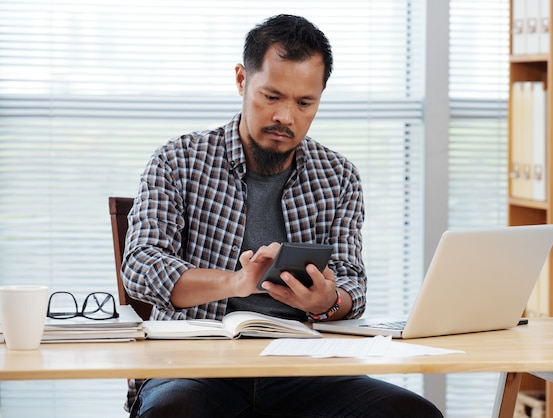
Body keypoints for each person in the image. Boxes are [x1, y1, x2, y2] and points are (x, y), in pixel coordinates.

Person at [122, 14, 443, 418]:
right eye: (271, 97)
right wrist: (236, 282)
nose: (286, 118)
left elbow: (352, 283)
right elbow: (140, 266)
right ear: (242, 80)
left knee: (410, 413)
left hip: (304, 367)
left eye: (304, 102)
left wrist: (328, 300)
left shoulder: (338, 176)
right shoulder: (178, 161)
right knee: (173, 412)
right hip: (195, 367)